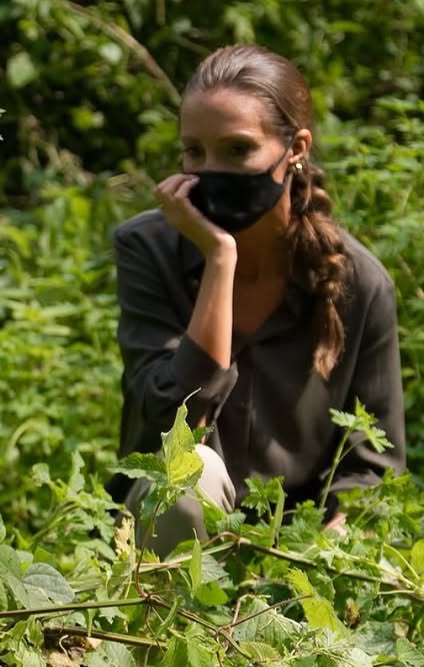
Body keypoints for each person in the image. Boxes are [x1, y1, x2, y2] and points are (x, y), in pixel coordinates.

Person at [111, 44, 406, 556]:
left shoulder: (360, 283)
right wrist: (219, 261)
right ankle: (177, 629)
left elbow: (373, 466)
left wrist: (322, 550)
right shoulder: (149, 249)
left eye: (237, 150)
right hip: (167, 536)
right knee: (189, 475)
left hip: (294, 548)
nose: (211, 170)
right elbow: (172, 426)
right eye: (194, 152)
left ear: (296, 148)